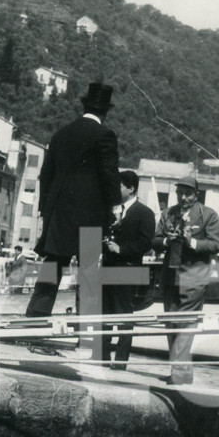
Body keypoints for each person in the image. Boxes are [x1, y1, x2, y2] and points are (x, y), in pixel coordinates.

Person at [25, 82, 120, 353]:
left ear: (85, 106)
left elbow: (46, 175)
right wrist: (115, 207)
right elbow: (109, 175)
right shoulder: (105, 135)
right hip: (89, 218)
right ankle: (87, 338)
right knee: (88, 275)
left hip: (58, 216)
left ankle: (32, 329)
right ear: (105, 112)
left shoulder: (61, 134)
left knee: (51, 270)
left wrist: (46, 211)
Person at [153, 170, 219, 385]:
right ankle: (181, 373)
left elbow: (216, 245)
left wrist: (191, 242)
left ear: (196, 195)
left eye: (188, 194)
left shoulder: (208, 215)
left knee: (184, 325)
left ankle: (179, 374)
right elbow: (155, 240)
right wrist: (166, 241)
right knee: (171, 324)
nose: (183, 198)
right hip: (170, 277)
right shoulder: (168, 214)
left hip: (194, 279)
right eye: (180, 193)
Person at [98, 170, 156, 370]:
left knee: (124, 316)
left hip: (129, 269)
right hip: (108, 268)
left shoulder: (145, 213)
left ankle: (121, 360)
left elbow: (145, 243)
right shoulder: (111, 210)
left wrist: (121, 249)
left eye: (119, 186)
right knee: (104, 315)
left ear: (131, 188)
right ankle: (103, 357)